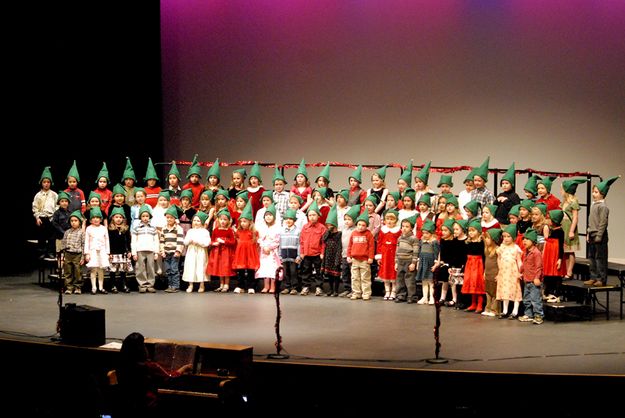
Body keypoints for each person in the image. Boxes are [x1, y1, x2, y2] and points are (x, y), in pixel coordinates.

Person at [115, 332, 192, 416]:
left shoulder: (121, 364)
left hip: (127, 406)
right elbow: (171, 378)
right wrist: (184, 367)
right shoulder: (149, 367)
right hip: (148, 406)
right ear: (140, 349)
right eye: (143, 345)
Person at [584, 176, 620, 287]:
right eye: (593, 192)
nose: (593, 194)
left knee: (600, 258)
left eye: (596, 192)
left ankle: (601, 278)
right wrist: (588, 232)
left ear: (602, 194)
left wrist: (599, 235)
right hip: (592, 234)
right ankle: (593, 276)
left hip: (600, 236)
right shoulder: (594, 205)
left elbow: (603, 223)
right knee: (591, 257)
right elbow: (591, 221)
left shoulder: (603, 207)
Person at [560, 178, 587, 279]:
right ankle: (566, 270)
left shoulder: (573, 202)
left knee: (570, 250)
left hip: (569, 227)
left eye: (562, 189)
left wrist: (571, 230)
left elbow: (575, 217)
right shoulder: (564, 202)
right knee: (565, 251)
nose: (561, 191)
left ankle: (570, 271)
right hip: (563, 226)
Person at [298, 201, 327, 296]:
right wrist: (302, 252)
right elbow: (301, 241)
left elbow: (324, 242)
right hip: (307, 253)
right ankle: (306, 286)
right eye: (310, 215)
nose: (312, 217)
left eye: (314, 215)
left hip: (317, 254)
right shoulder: (305, 227)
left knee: (319, 271)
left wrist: (322, 253)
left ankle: (319, 287)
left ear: (318, 216)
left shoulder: (322, 228)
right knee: (306, 271)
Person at [496, 224, 523, 320]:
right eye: (504, 236)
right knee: (505, 290)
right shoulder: (502, 247)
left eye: (508, 236)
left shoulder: (516, 248)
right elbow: (499, 259)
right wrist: (499, 270)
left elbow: (519, 261)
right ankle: (505, 310)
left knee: (515, 290)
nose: (506, 238)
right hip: (503, 272)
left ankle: (515, 311)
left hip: (513, 272)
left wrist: (520, 272)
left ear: (513, 237)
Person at [232, 201, 260, 294]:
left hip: (250, 254)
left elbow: (256, 242)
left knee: (250, 270)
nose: (243, 223)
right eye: (241, 221)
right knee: (240, 270)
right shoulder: (239, 232)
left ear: (250, 222)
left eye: (245, 221)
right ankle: (240, 285)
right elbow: (236, 239)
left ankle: (251, 286)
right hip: (241, 254)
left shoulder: (253, 232)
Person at [347, 211, 375, 300]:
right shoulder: (353, 233)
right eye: (359, 224)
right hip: (355, 259)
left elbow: (371, 247)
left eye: (363, 225)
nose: (361, 227)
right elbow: (350, 245)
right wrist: (348, 255)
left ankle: (366, 293)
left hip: (364, 260)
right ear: (356, 224)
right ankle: (356, 292)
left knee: (365, 277)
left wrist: (370, 257)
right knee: (355, 277)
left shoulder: (368, 234)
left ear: (366, 226)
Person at [131, 204, 159, 293]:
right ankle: (142, 284)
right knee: (140, 268)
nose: (145, 218)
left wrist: (156, 252)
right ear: (140, 217)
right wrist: (134, 253)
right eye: (143, 216)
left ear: (150, 216)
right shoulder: (136, 228)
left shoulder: (153, 228)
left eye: (147, 216)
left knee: (151, 267)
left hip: (150, 250)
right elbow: (134, 241)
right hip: (140, 250)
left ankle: (150, 284)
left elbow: (156, 241)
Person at [519, 228, 544, 324]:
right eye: (523, 239)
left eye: (527, 239)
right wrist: (520, 271)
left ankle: (538, 315)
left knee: (535, 300)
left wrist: (537, 277)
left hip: (534, 281)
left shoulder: (536, 253)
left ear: (533, 241)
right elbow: (524, 264)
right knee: (527, 299)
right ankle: (528, 314)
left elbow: (539, 267)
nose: (524, 241)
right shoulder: (526, 251)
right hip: (527, 280)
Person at [207, 209, 236, 292]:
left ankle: (226, 284)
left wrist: (224, 241)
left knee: (225, 268)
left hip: (226, 253)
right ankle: (221, 284)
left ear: (228, 221)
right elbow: (212, 240)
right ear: (218, 220)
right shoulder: (216, 230)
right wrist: (214, 243)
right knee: (220, 268)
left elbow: (233, 242)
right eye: (221, 219)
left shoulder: (229, 230)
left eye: (225, 219)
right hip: (217, 252)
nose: (223, 221)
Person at [33, 166, 58, 259]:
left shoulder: (54, 195)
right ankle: (42, 252)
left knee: (52, 236)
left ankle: (51, 252)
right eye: (44, 182)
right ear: (41, 183)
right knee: (41, 236)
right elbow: (35, 208)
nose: (46, 184)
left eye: (48, 182)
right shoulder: (38, 195)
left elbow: (57, 206)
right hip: (42, 218)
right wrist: (37, 218)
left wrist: (54, 217)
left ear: (50, 183)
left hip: (51, 218)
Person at [376, 209, 401, 301]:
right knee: (385, 272)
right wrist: (379, 256)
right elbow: (379, 243)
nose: (389, 221)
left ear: (396, 220)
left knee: (393, 273)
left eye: (392, 219)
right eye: (388, 219)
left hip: (394, 255)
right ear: (385, 220)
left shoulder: (398, 231)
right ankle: (387, 291)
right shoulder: (383, 230)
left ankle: (394, 291)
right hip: (385, 254)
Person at [183, 212, 211, 293]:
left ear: (202, 222)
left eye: (198, 221)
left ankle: (201, 284)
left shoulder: (205, 232)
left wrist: (198, 242)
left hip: (201, 252)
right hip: (191, 251)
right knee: (191, 267)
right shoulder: (190, 231)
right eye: (194, 220)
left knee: (201, 267)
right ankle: (190, 284)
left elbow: (207, 242)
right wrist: (189, 241)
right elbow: (185, 242)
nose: (196, 222)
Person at [461, 219, 485, 313]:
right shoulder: (468, 242)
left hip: (478, 264)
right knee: (471, 283)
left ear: (479, 232)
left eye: (473, 230)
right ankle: (473, 303)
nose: (471, 233)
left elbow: (483, 255)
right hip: (469, 264)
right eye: (469, 231)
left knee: (478, 283)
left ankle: (480, 304)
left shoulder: (481, 243)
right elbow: (465, 255)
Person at [84, 207, 110, 295]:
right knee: (93, 269)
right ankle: (93, 287)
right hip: (93, 251)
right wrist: (86, 253)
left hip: (102, 251)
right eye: (93, 218)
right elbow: (86, 241)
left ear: (101, 219)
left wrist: (108, 252)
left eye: (97, 217)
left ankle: (101, 287)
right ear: (90, 220)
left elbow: (107, 240)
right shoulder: (89, 228)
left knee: (101, 269)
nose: (95, 219)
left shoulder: (103, 228)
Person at [256, 204, 281, 293]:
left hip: (273, 252)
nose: (268, 217)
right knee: (265, 268)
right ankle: (266, 286)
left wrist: (269, 247)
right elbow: (259, 239)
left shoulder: (278, 228)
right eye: (266, 215)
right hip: (264, 251)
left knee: (273, 268)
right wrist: (264, 246)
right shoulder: (262, 227)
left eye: (270, 215)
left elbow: (277, 240)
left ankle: (273, 287)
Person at [394, 214, 419, 303]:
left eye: (407, 227)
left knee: (410, 280)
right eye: (403, 226)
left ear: (411, 228)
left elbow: (415, 252)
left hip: (409, 261)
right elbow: (397, 250)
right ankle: (401, 295)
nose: (404, 228)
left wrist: (413, 263)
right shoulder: (400, 238)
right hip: (400, 261)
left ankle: (411, 296)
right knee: (400, 279)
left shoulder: (414, 239)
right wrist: (396, 262)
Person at [543, 209, 566, 302]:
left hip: (555, 256)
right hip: (549, 255)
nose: (547, 220)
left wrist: (560, 258)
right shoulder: (551, 230)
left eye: (549, 219)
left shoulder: (560, 232)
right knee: (548, 275)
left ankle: (556, 294)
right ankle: (548, 292)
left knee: (556, 275)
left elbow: (561, 246)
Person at [108, 207, 133, 293]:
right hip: (113, 253)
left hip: (123, 253)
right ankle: (113, 285)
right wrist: (109, 252)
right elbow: (109, 242)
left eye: (120, 217)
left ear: (123, 219)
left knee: (123, 270)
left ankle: (124, 285)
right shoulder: (110, 229)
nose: (118, 219)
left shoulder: (125, 229)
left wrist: (129, 251)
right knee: (113, 271)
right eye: (116, 217)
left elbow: (128, 241)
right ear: (112, 218)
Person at [160, 206, 184, 293]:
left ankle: (175, 286)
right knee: (168, 270)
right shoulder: (164, 229)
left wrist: (178, 251)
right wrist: (162, 251)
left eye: (171, 217)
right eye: (167, 217)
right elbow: (162, 241)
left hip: (174, 253)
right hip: (166, 253)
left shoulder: (178, 229)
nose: (169, 219)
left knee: (174, 269)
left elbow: (180, 241)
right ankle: (170, 285)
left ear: (175, 218)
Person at [415, 220, 439, 305]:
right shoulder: (421, 241)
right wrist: (418, 262)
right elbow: (419, 252)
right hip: (422, 261)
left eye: (427, 233)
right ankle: (425, 297)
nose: (424, 235)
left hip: (430, 262)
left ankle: (432, 297)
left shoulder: (434, 242)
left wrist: (436, 264)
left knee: (430, 281)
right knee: (424, 280)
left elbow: (436, 253)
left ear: (432, 233)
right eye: (423, 233)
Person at [320, 205, 342, 296]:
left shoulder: (339, 234)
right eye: (327, 225)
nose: (328, 226)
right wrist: (328, 231)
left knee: (335, 275)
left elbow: (339, 246)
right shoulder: (327, 233)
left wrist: (338, 259)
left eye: (330, 225)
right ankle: (330, 289)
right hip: (327, 256)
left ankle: (336, 290)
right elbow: (323, 240)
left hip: (335, 256)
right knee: (329, 275)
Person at [61, 210, 85, 294]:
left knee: (77, 271)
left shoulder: (82, 232)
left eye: (75, 221)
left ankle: (77, 287)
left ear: (79, 222)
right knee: (68, 271)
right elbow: (63, 243)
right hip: (68, 254)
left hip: (77, 254)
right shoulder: (67, 232)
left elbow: (83, 244)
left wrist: (83, 257)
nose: (73, 223)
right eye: (72, 221)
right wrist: (63, 255)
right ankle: (69, 287)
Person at [339, 205, 359, 297]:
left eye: (349, 219)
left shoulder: (356, 230)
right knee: (345, 272)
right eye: (345, 219)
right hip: (344, 254)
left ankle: (354, 289)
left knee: (353, 273)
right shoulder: (343, 229)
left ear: (354, 220)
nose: (346, 221)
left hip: (352, 255)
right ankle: (347, 288)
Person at [279, 209, 300, 295]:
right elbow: (279, 244)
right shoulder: (282, 231)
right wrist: (280, 255)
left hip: (293, 255)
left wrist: (298, 256)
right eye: (287, 219)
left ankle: (294, 287)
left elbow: (299, 244)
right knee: (285, 272)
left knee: (293, 272)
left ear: (294, 220)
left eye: (290, 219)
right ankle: (287, 287)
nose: (288, 220)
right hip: (284, 255)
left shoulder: (298, 231)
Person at [482, 228, 501, 317]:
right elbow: (486, 262)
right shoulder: (486, 249)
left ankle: (495, 309)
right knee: (488, 291)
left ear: (494, 239)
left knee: (495, 292)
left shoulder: (497, 250)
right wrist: (484, 272)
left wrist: (499, 274)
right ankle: (488, 308)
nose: (486, 239)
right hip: (488, 273)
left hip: (495, 273)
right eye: (485, 238)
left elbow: (499, 263)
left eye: (488, 238)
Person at [51, 191, 71, 258]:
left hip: (68, 237)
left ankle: (66, 267)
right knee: (59, 252)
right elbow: (55, 223)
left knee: (67, 252)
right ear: (59, 203)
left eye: (66, 201)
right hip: (59, 236)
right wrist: (63, 231)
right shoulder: (57, 213)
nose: (64, 203)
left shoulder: (70, 213)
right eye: (62, 201)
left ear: (68, 203)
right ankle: (59, 267)